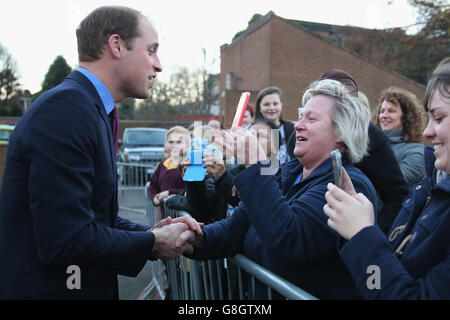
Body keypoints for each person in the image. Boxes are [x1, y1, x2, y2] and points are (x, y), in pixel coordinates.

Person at [0, 6, 201, 300]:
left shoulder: (89, 108)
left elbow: (94, 218)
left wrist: (150, 232)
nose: (159, 65)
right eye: (152, 50)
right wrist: (152, 243)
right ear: (117, 45)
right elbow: (65, 239)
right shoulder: (67, 109)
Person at [178, 79, 377, 299]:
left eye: (311, 119)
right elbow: (237, 227)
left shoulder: (348, 185)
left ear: (341, 132)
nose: (298, 125)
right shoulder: (286, 173)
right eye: (301, 116)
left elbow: (290, 238)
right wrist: (195, 238)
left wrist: (255, 162)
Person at [323, 60, 450, 299]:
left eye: (440, 118)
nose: (428, 132)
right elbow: (379, 283)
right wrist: (362, 234)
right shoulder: (427, 189)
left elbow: (288, 235)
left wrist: (362, 233)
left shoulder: (409, 155)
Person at [296, 69, 410, 235]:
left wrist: (369, 234)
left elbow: (397, 194)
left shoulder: (371, 138)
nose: (300, 125)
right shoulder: (299, 136)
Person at [373, 86, 426, 188]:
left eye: (391, 111)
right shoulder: (368, 144)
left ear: (406, 117)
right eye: (382, 111)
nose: (384, 115)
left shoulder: (417, 152)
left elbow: (394, 182)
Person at [148, 126, 190, 207]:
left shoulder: (189, 165)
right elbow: (153, 185)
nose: (174, 145)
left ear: (187, 145)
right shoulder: (163, 163)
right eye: (170, 142)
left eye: (179, 142)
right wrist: (154, 197)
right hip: (166, 214)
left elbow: (190, 190)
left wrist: (169, 192)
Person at [254, 86, 295, 165]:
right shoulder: (251, 131)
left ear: (281, 106)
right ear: (260, 108)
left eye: (275, 104)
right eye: (266, 104)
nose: (271, 108)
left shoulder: (292, 129)